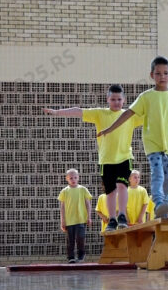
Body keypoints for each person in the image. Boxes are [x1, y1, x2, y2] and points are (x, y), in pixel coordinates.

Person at [97, 56, 168, 219]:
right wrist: (109, 128)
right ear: (152, 75)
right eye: (158, 73)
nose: (162, 76)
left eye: (165, 73)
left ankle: (163, 207)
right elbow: (128, 114)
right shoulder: (146, 97)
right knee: (158, 173)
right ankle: (158, 202)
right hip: (153, 143)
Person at [43, 84, 142, 231]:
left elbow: (154, 117)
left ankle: (122, 215)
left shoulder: (129, 115)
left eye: (119, 99)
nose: (116, 102)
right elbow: (78, 111)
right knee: (110, 191)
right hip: (106, 160)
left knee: (122, 186)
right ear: (108, 99)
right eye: (113, 99)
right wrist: (58, 112)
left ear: (124, 100)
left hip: (124, 157)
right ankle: (112, 219)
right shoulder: (99, 113)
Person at [58, 169, 92, 263]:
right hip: (69, 220)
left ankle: (81, 254)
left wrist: (89, 217)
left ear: (78, 178)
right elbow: (62, 207)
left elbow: (88, 204)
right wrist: (63, 221)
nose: (73, 179)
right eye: (71, 178)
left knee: (80, 237)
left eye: (75, 177)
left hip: (81, 219)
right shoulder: (64, 191)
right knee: (70, 240)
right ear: (67, 179)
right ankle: (71, 257)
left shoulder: (83, 189)